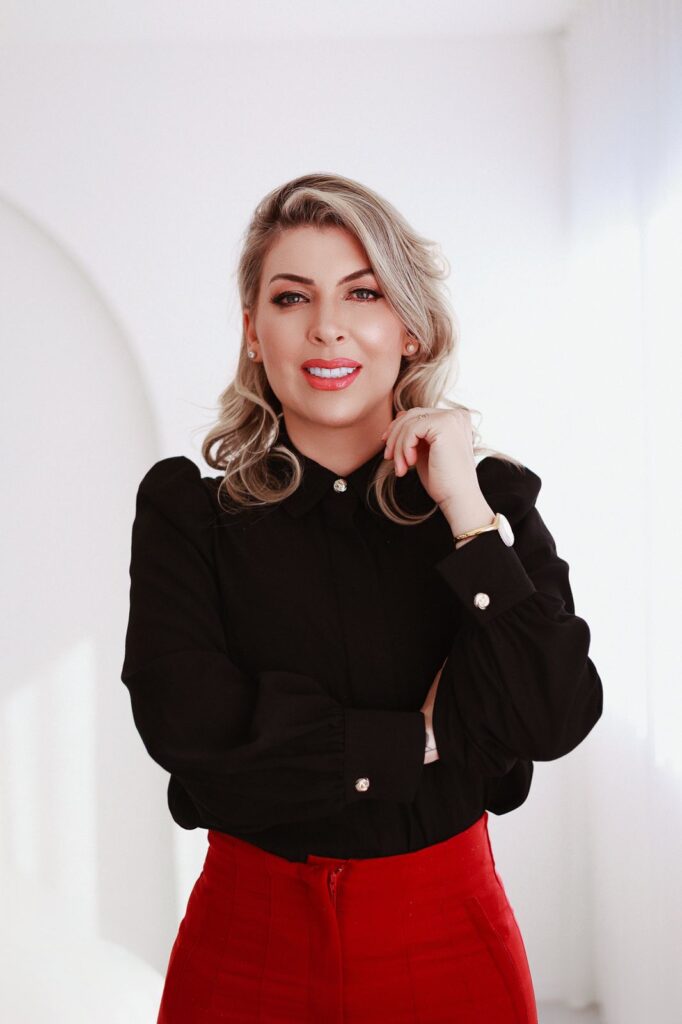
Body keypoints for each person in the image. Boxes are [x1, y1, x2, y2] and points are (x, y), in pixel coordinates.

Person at [121, 172, 604, 1024]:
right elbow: (187, 725)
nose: (327, 326)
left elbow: (553, 713)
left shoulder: (490, 503)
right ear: (253, 332)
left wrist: (465, 513)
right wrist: (421, 740)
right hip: (246, 947)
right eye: (291, 297)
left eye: (364, 292)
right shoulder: (188, 516)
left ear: (411, 329)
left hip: (447, 939)